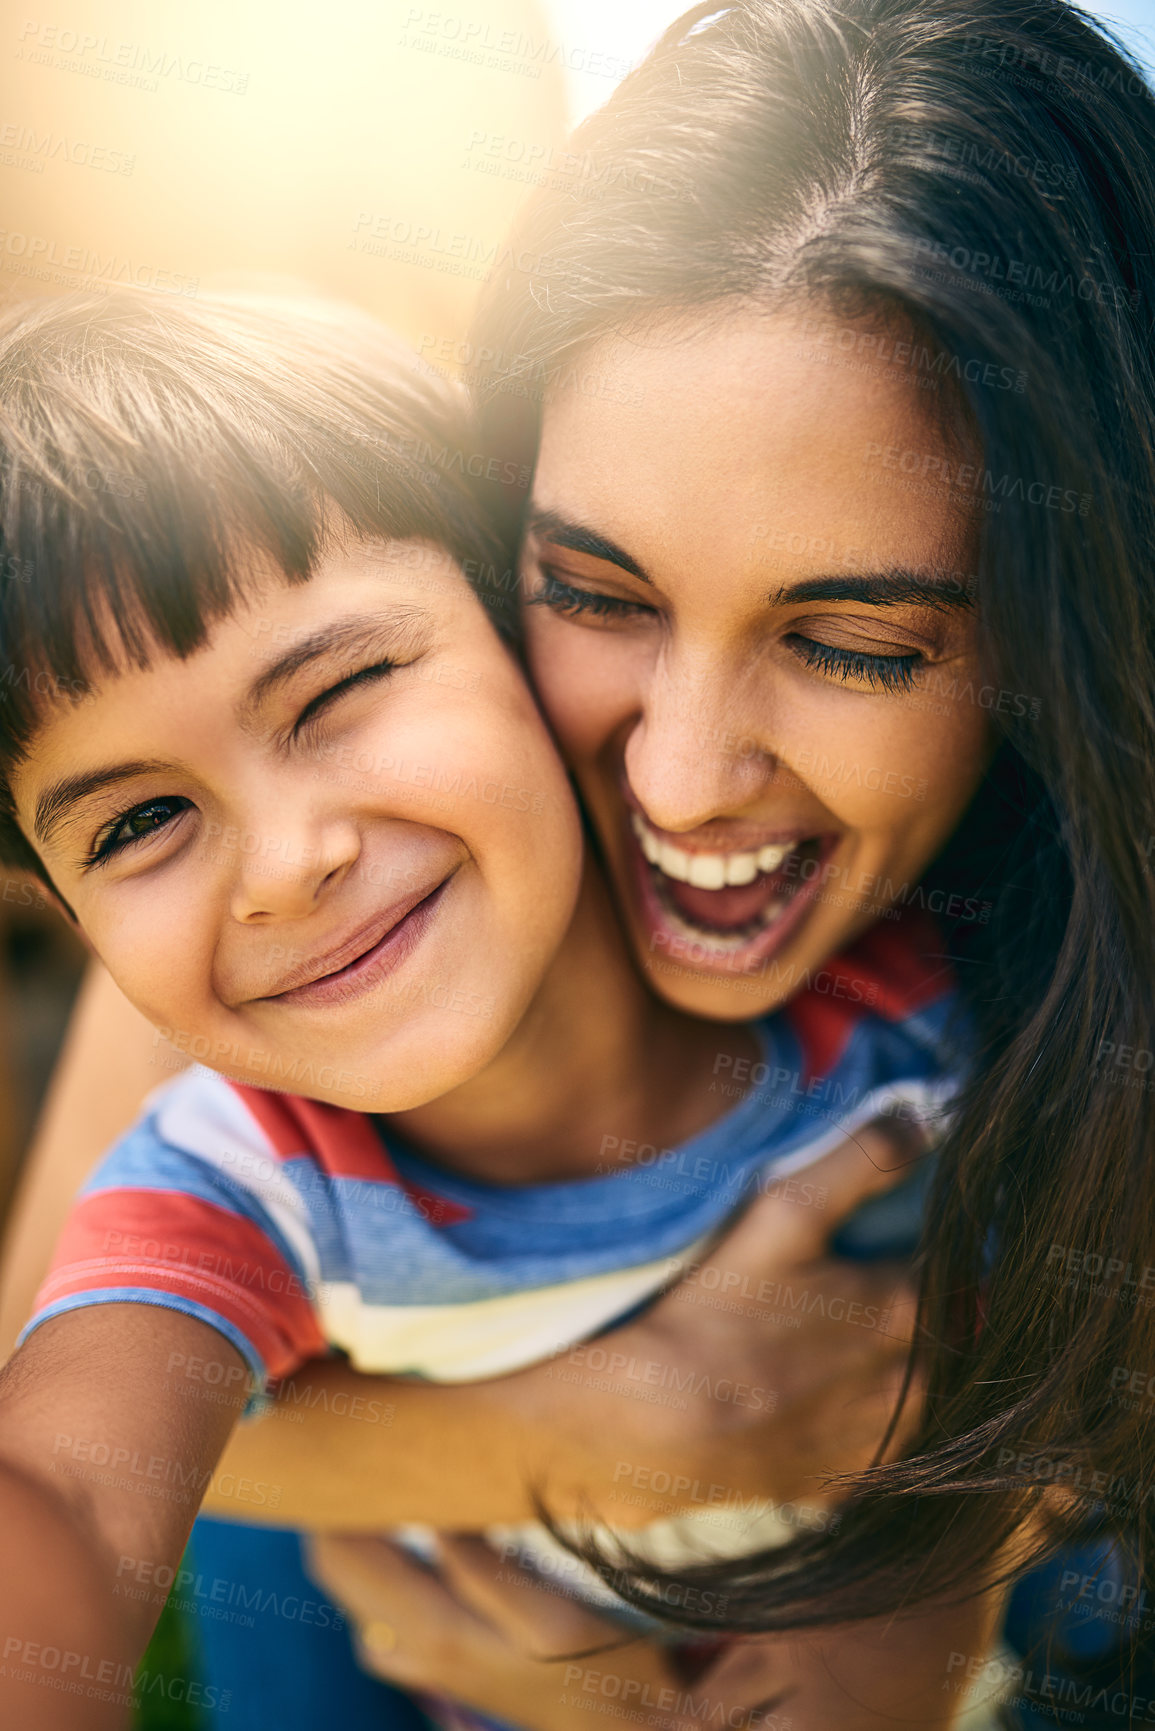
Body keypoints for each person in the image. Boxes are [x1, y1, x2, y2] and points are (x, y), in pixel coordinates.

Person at [224, 0, 1155, 1724]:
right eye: (594, 589)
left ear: (1067, 637)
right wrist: (599, 1432)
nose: (678, 774)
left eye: (856, 641)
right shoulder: (350, 818)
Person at [0, 289, 988, 1731]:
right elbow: (74, 1494)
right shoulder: (228, 1194)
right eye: (142, 820)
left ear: (523, 637)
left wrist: (921, 1608)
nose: (287, 866)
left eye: (339, 689)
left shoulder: (895, 987)